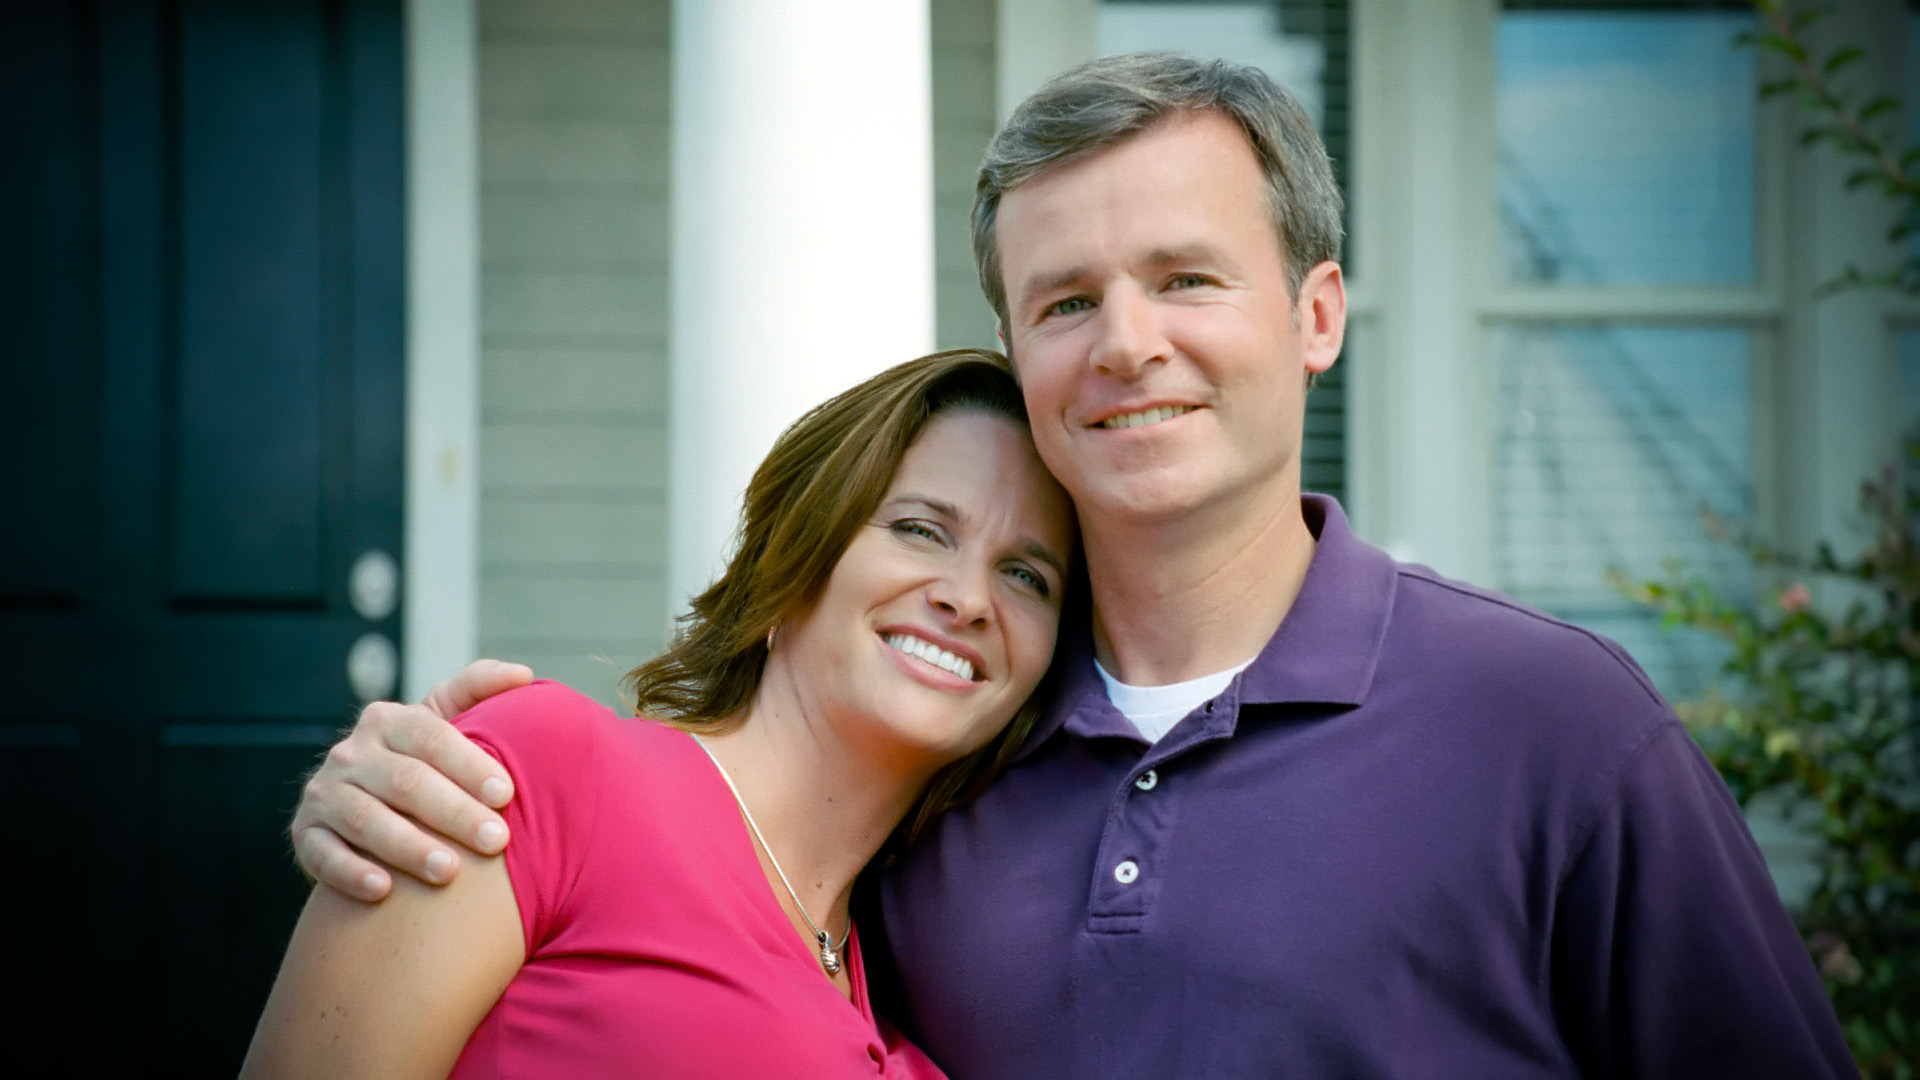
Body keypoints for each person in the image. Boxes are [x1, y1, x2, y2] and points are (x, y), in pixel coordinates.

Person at [288, 53, 1856, 1077]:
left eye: (1186, 278)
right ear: (1021, 350)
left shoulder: (1558, 730)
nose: (1130, 345)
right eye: (1065, 300)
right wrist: (388, 783)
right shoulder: (953, 776)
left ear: (1318, 316)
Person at [242, 349, 1075, 1078]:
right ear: (798, 554)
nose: (968, 599)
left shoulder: (905, 997)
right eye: (922, 530)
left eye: (1026, 577)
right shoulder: (537, 769)